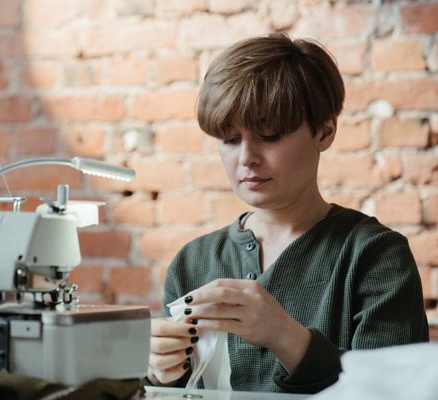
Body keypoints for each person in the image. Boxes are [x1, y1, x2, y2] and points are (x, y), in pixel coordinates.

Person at [145, 33, 429, 394]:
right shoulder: (193, 261)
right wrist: (161, 373)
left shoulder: (374, 255)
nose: (246, 157)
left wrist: (284, 335)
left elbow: (396, 390)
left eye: (270, 135)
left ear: (324, 131)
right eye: (230, 140)